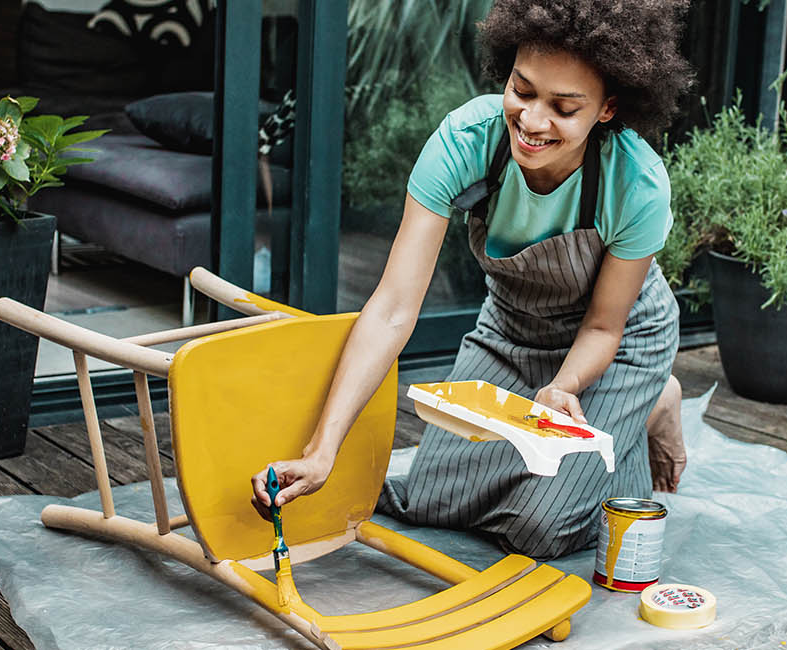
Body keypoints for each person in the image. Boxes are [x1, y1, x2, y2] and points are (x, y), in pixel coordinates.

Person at [251, 0, 693, 559]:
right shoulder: (466, 143)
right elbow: (391, 308)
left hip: (618, 344)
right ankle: (623, 420)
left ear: (607, 109)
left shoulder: (636, 183)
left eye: (564, 107)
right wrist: (321, 450)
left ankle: (649, 400)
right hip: (511, 329)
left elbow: (606, 326)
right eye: (523, 90)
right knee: (433, 501)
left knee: (542, 527)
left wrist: (564, 388)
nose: (532, 121)